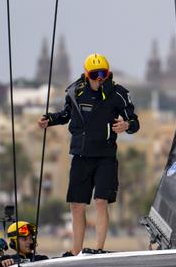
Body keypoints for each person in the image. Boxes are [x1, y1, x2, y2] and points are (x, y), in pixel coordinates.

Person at [38, 53, 139, 255]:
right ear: (87, 75)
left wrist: (126, 125)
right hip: (81, 156)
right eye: (95, 74)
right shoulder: (75, 92)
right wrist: (50, 119)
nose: (99, 78)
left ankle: (99, 248)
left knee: (101, 201)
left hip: (105, 157)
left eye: (104, 74)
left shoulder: (118, 94)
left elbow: (135, 122)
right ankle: (76, 252)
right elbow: (66, 115)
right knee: (76, 205)